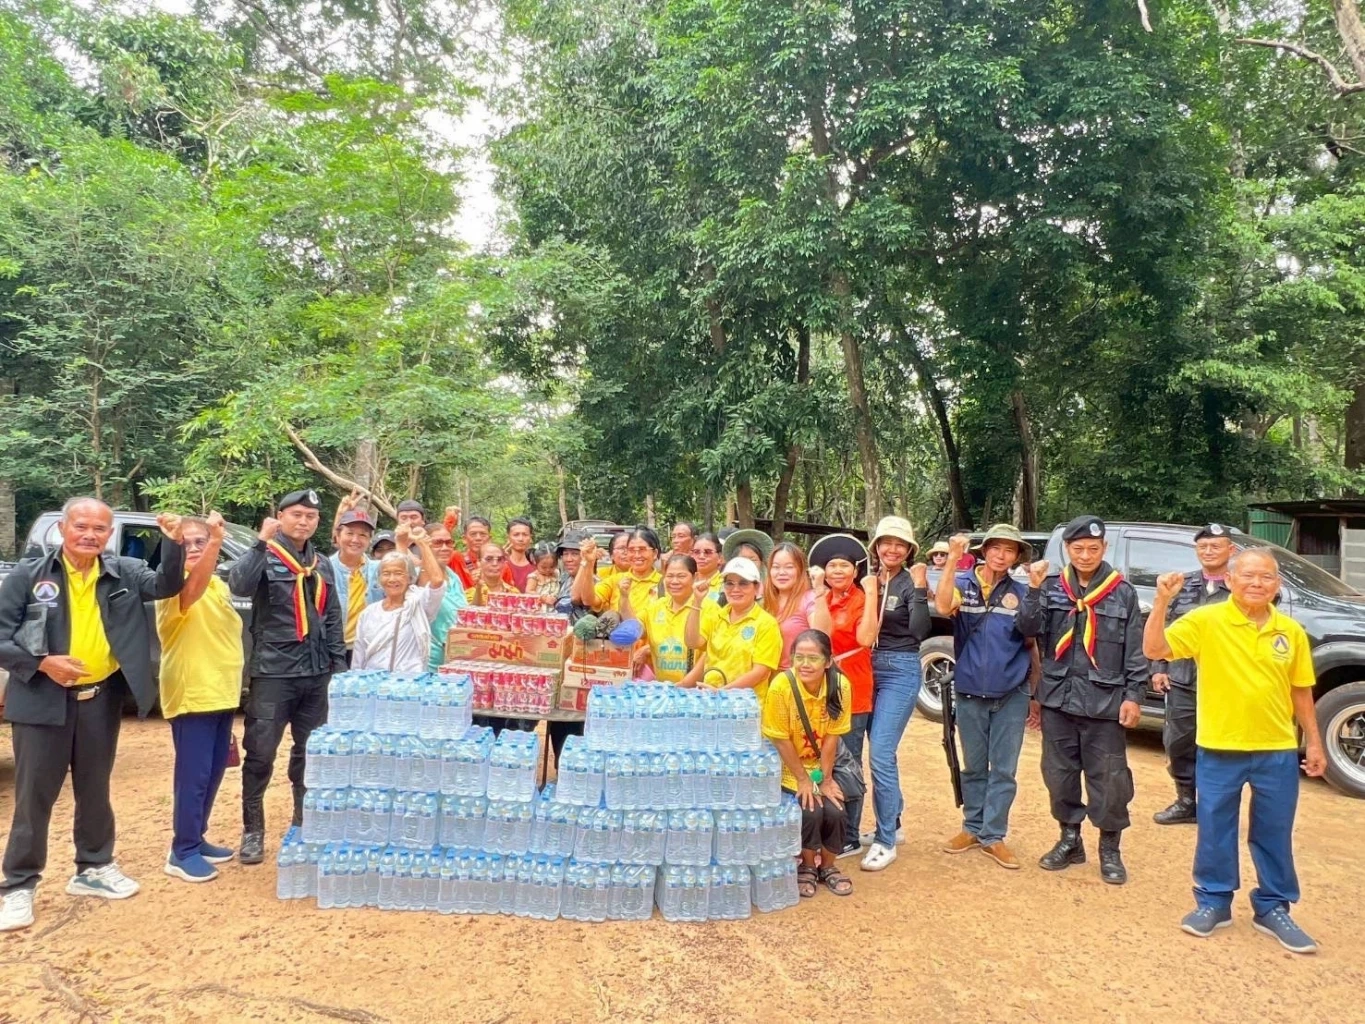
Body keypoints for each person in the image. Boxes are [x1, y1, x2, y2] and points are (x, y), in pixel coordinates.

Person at [0, 499, 185, 932]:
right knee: (34, 797)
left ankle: (94, 868)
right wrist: (43, 662)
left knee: (95, 789)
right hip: (41, 701)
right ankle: (18, 886)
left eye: (99, 529)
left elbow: (166, 586)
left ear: (108, 534)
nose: (90, 535)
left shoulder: (122, 571)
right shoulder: (29, 575)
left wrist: (173, 543)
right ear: (62, 528)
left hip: (100, 699)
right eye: (81, 526)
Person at [1144, 550, 1327, 954]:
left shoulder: (1290, 632)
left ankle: (1273, 907)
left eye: (1266, 577)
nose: (1257, 583)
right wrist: (1162, 602)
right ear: (1230, 580)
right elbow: (1156, 649)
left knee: (1274, 831)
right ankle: (1213, 902)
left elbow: (1301, 690)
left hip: (1276, 749)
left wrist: (1313, 740)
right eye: (1249, 576)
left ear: (1277, 585)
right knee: (1214, 827)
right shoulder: (1206, 621)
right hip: (1219, 746)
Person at [1016, 515, 1146, 885]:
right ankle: (1070, 840)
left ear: (1104, 549)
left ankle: (1109, 849)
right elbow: (1027, 629)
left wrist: (1134, 696)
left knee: (1109, 778)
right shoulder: (1053, 587)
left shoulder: (1122, 592)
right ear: (1066, 550)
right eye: (1078, 549)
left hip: (1104, 701)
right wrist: (1035, 590)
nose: (1085, 555)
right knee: (1059, 775)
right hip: (1058, 698)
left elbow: (1135, 651)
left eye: (1093, 548)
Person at [230, 489, 347, 866]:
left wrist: (337, 665)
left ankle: (302, 821)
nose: (304, 522)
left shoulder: (320, 564)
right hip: (274, 672)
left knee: (309, 752)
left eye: (311, 516)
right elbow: (239, 586)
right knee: (261, 753)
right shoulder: (265, 555)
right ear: (279, 516)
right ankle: (253, 831)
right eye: (297, 514)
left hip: (315, 674)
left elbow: (331, 616)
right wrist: (259, 543)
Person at [933, 525, 1038, 870]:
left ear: (1016, 557)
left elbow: (1031, 639)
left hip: (1011, 691)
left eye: (1009, 550)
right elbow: (944, 604)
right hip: (969, 689)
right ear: (984, 550)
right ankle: (972, 828)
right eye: (996, 548)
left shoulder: (1022, 592)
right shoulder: (964, 584)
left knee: (1004, 770)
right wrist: (951, 560)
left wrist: (1033, 692)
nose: (1001, 555)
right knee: (974, 766)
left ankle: (994, 834)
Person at [156, 513, 243, 884]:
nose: (194, 548)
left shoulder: (219, 586)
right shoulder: (172, 587)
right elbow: (191, 592)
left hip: (221, 693)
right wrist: (215, 543)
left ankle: (197, 836)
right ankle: (183, 850)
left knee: (213, 772)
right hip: (193, 693)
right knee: (193, 776)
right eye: (186, 543)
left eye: (200, 541)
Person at [860, 516, 931, 872]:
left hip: (900, 667)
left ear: (909, 551)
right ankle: (895, 824)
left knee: (881, 753)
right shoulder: (868, 580)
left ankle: (886, 839)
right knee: (877, 750)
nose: (892, 549)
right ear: (876, 546)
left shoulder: (907, 583)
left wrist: (919, 587)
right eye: (886, 542)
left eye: (900, 544)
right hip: (863, 666)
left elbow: (920, 630)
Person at [1150, 523, 1234, 826]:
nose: (1209, 552)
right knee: (1178, 742)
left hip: (1225, 683)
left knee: (1222, 746)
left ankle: (1217, 807)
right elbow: (1165, 631)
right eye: (1203, 547)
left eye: (1216, 546)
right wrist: (1159, 668)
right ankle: (1186, 801)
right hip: (1183, 679)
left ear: (1230, 550)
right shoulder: (1181, 585)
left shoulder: (1242, 586)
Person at [762, 629, 854, 898]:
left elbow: (832, 737)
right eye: (799, 657)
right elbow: (780, 740)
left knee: (835, 809)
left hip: (818, 765)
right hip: (787, 765)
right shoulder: (781, 686)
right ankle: (806, 866)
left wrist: (824, 779)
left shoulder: (840, 686)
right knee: (810, 809)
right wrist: (803, 779)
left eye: (813, 658)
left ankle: (828, 867)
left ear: (828, 661)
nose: (804, 664)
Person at [808, 533, 876, 858]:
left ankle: (849, 834)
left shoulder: (861, 599)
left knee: (848, 761)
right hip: (821, 688)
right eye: (832, 565)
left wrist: (874, 590)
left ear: (854, 570)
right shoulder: (820, 598)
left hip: (854, 688)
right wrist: (820, 593)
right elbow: (820, 634)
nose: (837, 570)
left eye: (844, 565)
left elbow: (865, 636)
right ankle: (828, 829)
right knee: (824, 758)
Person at [681, 557, 781, 701]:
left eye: (743, 584)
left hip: (745, 707)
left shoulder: (766, 624)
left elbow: (760, 672)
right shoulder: (717, 616)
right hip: (711, 700)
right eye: (729, 584)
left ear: (757, 588)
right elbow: (692, 642)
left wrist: (722, 693)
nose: (735, 589)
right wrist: (697, 601)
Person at [353, 528, 447, 673]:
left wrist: (422, 543)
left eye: (398, 573)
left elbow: (437, 581)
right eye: (386, 574)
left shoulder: (418, 606)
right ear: (379, 580)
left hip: (409, 688)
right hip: (375, 688)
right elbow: (358, 659)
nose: (392, 579)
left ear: (410, 578)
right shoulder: (368, 614)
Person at [621, 554, 698, 682]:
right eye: (669, 576)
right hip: (663, 689)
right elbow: (635, 629)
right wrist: (624, 597)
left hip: (695, 691)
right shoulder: (656, 607)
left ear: (695, 578)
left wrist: (684, 686)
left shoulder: (706, 608)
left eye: (681, 576)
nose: (674, 581)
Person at [329, 503, 383, 664]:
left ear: (369, 540)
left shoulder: (379, 570)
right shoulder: (324, 568)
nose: (355, 540)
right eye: (350, 533)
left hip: (368, 649)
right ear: (338, 536)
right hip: (332, 649)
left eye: (362, 535)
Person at [574, 527, 663, 615]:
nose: (637, 555)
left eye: (642, 549)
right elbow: (588, 600)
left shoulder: (664, 583)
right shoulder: (616, 580)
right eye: (631, 550)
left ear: (655, 553)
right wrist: (589, 563)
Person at [422, 524, 469, 671]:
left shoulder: (453, 576)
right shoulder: (420, 575)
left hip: (456, 660)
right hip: (429, 663)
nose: (445, 548)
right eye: (437, 543)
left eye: (449, 542)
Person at [764, 542, 815, 669]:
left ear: (800, 570)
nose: (781, 572)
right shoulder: (764, 602)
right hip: (765, 678)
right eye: (776, 567)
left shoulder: (810, 599)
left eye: (789, 567)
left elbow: (821, 636)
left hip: (797, 677)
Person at [525, 542, 562, 607]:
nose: (548, 570)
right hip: (540, 607)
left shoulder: (556, 573)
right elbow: (528, 592)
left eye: (552, 566)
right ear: (535, 562)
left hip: (555, 607)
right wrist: (543, 598)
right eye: (544, 567)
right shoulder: (534, 577)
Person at [505, 517, 537, 592]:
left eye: (525, 535)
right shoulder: (500, 563)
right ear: (508, 537)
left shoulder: (538, 565)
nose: (521, 539)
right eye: (516, 535)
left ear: (530, 538)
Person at [691, 532, 724, 602]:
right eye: (696, 552)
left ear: (720, 558)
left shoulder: (725, 585)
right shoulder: (686, 581)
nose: (701, 556)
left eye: (708, 552)